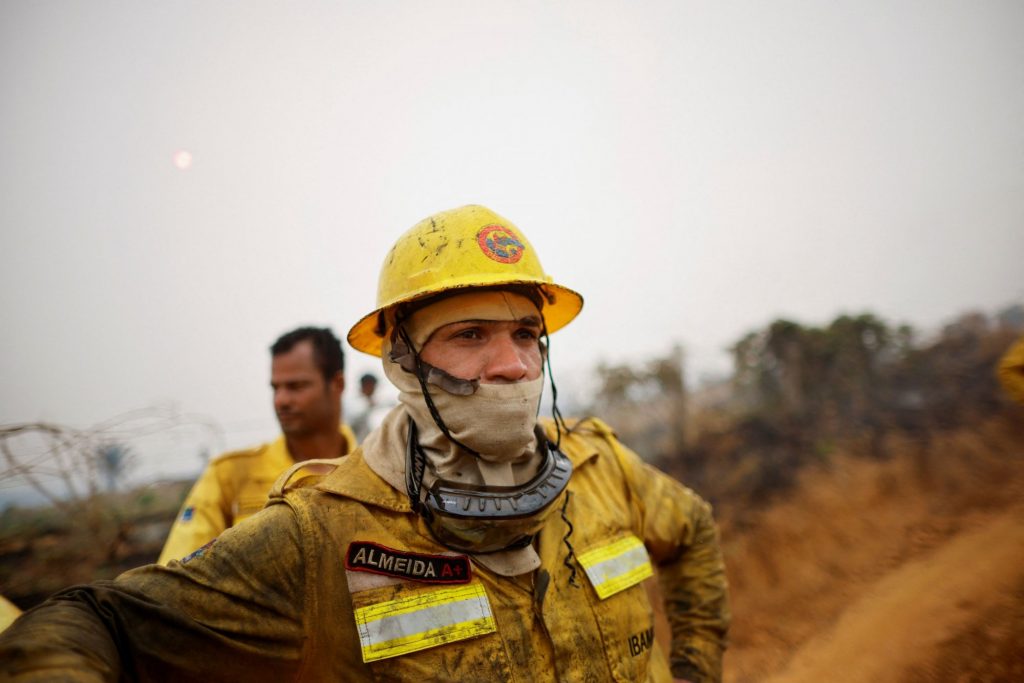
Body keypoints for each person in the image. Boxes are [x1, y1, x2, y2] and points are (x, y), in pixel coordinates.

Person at [0, 205, 729, 682]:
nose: (511, 364)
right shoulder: (321, 533)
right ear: (404, 362)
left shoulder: (601, 466)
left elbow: (692, 529)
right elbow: (99, 620)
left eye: (526, 335)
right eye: (471, 335)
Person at [157, 326, 357, 564]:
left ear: (337, 384)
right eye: (276, 388)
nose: (281, 400)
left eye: (296, 386)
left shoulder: (379, 474)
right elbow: (176, 579)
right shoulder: (230, 475)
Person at [350, 372, 391, 441]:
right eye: (368, 385)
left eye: (373, 386)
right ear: (363, 386)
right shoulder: (354, 405)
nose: (371, 388)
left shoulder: (381, 402)